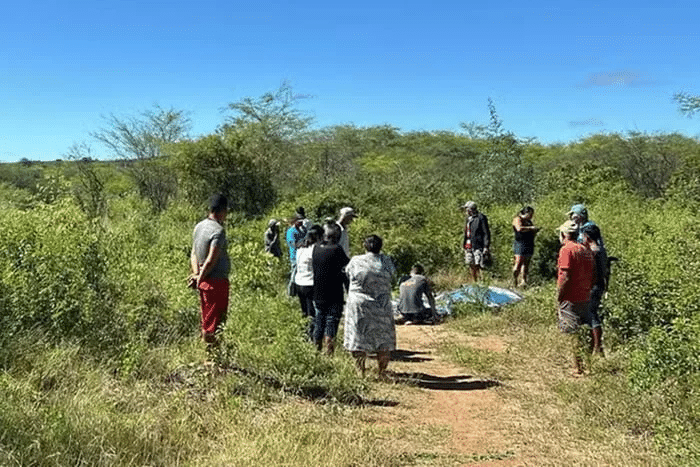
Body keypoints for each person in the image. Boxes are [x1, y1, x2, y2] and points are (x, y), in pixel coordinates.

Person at [343, 235, 396, 377]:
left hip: (359, 303)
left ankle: (360, 371)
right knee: (383, 339)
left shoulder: (356, 260)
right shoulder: (387, 261)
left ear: (364, 246)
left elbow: (348, 275)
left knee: (358, 338)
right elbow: (392, 276)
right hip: (382, 304)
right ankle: (382, 372)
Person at [190, 194, 231, 345]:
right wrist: (200, 277)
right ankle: (212, 358)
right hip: (216, 283)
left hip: (204, 282)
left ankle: (210, 354)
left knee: (206, 319)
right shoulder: (218, 231)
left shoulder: (198, 227)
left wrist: (196, 276)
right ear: (222, 210)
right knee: (215, 322)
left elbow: (194, 254)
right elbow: (210, 260)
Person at [557, 220, 595, 375]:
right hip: (585, 294)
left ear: (565, 234)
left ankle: (578, 367)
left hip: (571, 296)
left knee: (573, 334)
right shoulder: (585, 249)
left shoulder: (567, 250)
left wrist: (560, 295)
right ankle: (587, 362)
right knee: (584, 330)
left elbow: (565, 275)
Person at [312, 222, 350, 355]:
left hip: (318, 293)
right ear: (337, 236)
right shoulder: (337, 249)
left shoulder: (316, 248)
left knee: (319, 321)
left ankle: (315, 351)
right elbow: (347, 267)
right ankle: (329, 353)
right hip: (335, 293)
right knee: (331, 323)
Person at [580, 223, 608, 355]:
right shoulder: (601, 249)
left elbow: (592, 271)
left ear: (587, 236)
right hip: (599, 284)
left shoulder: (593, 252)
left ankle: (597, 347)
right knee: (591, 314)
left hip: (593, 285)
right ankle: (594, 345)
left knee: (592, 315)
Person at [294, 224, 324, 340]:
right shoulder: (315, 250)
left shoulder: (300, 248)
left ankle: (305, 334)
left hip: (299, 282)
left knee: (304, 311)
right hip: (310, 283)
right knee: (313, 312)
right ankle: (313, 337)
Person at [461, 201, 491, 282]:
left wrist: (486, 246)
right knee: (470, 263)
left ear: (471, 209)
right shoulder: (468, 219)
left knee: (479, 264)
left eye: (466, 209)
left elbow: (486, 233)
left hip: (478, 244)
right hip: (468, 244)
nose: (466, 211)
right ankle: (474, 282)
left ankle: (481, 282)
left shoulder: (481, 218)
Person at [512, 206, 541, 288]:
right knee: (519, 262)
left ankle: (523, 281)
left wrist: (535, 231)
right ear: (526, 213)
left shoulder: (529, 221)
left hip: (529, 242)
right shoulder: (517, 219)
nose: (531, 216)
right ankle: (515, 281)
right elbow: (519, 229)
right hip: (520, 243)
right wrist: (531, 228)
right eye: (530, 214)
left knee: (526, 263)